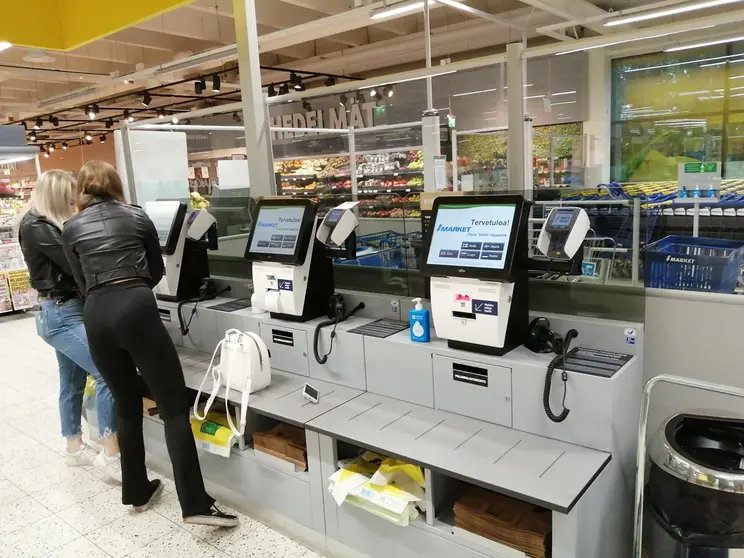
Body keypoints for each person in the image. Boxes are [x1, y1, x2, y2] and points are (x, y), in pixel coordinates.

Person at [61, 160, 237, 526]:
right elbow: (156, 269)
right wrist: (135, 289)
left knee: (126, 404)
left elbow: (80, 280)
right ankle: (196, 505)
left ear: (82, 189)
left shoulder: (71, 227)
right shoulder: (137, 216)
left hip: (95, 312)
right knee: (173, 407)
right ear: (115, 185)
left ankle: (137, 491)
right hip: (136, 305)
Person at [17, 170, 121, 481]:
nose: (74, 200)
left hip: (61, 310)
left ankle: (74, 447)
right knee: (107, 372)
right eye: (69, 195)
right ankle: (110, 452)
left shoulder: (41, 223)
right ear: (56, 196)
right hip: (62, 313)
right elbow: (73, 260)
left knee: (71, 381)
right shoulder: (38, 226)